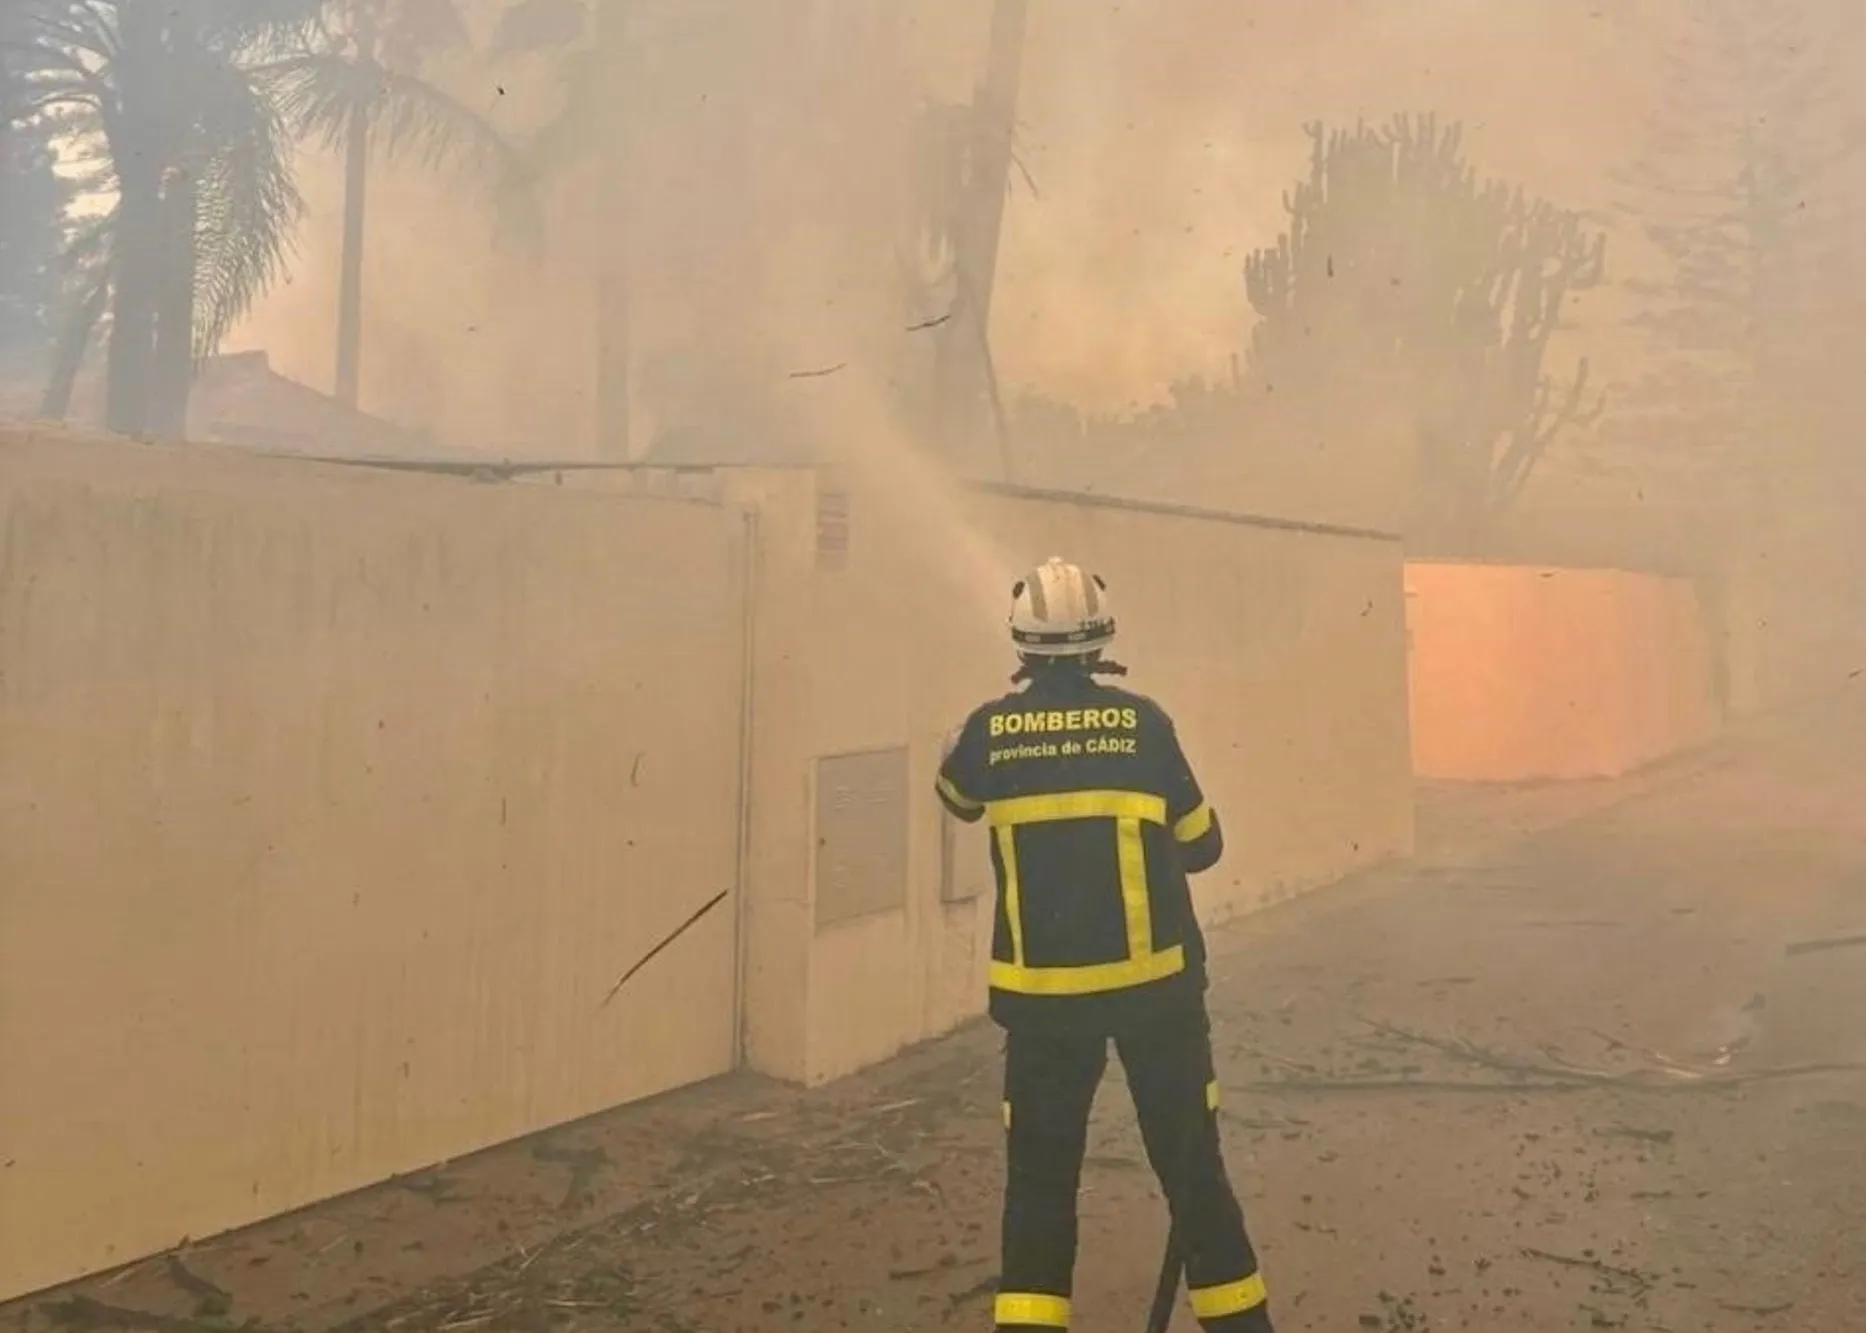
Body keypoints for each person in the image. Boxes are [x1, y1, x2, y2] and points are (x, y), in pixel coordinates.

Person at [935, 556, 1276, 1333]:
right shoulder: (1144, 724)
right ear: (1101, 640)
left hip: (1044, 1010)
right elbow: (1202, 845)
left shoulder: (990, 733)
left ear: (1022, 643)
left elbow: (953, 796)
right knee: (1195, 1178)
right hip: (1158, 998)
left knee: (1040, 1187)